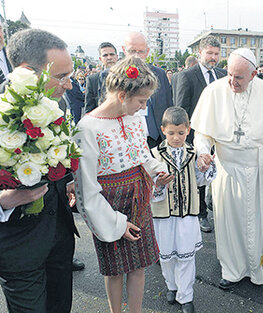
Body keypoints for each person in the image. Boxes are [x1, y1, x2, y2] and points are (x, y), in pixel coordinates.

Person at [73, 56, 168, 313]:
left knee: (138, 265)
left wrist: (158, 171)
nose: (144, 106)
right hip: (108, 204)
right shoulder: (87, 128)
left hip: (138, 197)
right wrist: (115, 222)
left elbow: (142, 155)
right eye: (142, 101)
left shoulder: (135, 118)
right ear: (123, 95)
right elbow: (86, 189)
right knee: (115, 269)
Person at [192, 48, 263, 289]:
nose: (231, 82)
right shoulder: (213, 92)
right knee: (229, 222)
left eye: (239, 77)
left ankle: (260, 264)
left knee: (261, 219)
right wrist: (203, 152)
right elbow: (202, 133)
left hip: (261, 169)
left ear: (254, 74)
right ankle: (232, 268)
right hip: (228, 169)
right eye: (229, 74)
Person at [0, 28, 77, 313]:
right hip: (18, 246)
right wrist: (5, 200)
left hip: (59, 239)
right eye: (61, 77)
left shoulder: (55, 104)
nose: (69, 85)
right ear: (26, 71)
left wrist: (66, 179)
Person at [150, 106, 216, 313]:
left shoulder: (194, 153)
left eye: (180, 133)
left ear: (188, 130)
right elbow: (147, 184)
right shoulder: (154, 154)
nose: (176, 138)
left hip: (188, 213)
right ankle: (171, 285)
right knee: (167, 255)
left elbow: (201, 179)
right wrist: (158, 183)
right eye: (171, 133)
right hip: (163, 215)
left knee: (186, 256)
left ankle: (186, 296)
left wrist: (205, 167)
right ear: (163, 130)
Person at [172, 35, 226, 233]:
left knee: (219, 172)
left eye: (216, 54)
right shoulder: (187, 76)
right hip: (197, 134)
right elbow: (181, 108)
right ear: (200, 53)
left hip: (221, 135)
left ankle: (217, 207)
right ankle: (202, 214)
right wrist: (183, 137)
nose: (213, 57)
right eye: (209, 53)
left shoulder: (223, 74)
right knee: (200, 174)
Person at [122, 32, 173, 149]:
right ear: (124, 50)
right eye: (132, 51)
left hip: (156, 142)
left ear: (147, 51)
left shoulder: (159, 74)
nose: (136, 56)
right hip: (126, 143)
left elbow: (169, 107)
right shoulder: (115, 76)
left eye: (141, 51)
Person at [84, 42, 118, 113]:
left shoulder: (126, 76)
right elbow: (89, 108)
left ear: (116, 57)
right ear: (100, 59)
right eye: (105, 55)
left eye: (112, 54)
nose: (109, 58)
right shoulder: (92, 80)